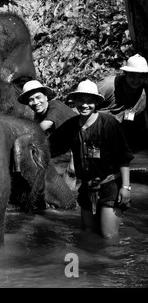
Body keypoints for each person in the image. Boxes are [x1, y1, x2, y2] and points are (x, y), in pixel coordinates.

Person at [49, 80, 133, 238]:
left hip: (109, 186)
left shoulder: (108, 124)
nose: (85, 105)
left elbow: (124, 157)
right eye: (81, 100)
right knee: (88, 233)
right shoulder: (71, 126)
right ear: (75, 102)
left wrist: (126, 187)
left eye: (90, 101)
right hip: (87, 188)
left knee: (108, 236)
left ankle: (114, 262)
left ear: (96, 103)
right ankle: (92, 263)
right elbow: (50, 146)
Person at [18, 80, 78, 190]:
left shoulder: (55, 106)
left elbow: (44, 126)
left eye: (38, 97)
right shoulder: (38, 116)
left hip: (78, 150)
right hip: (61, 153)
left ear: (46, 97)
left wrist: (20, 138)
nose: (35, 102)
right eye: (31, 100)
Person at [97, 54, 148, 150]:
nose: (136, 80)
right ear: (125, 74)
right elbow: (84, 105)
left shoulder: (143, 96)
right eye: (132, 76)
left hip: (116, 136)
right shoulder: (107, 86)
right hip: (94, 132)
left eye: (141, 77)